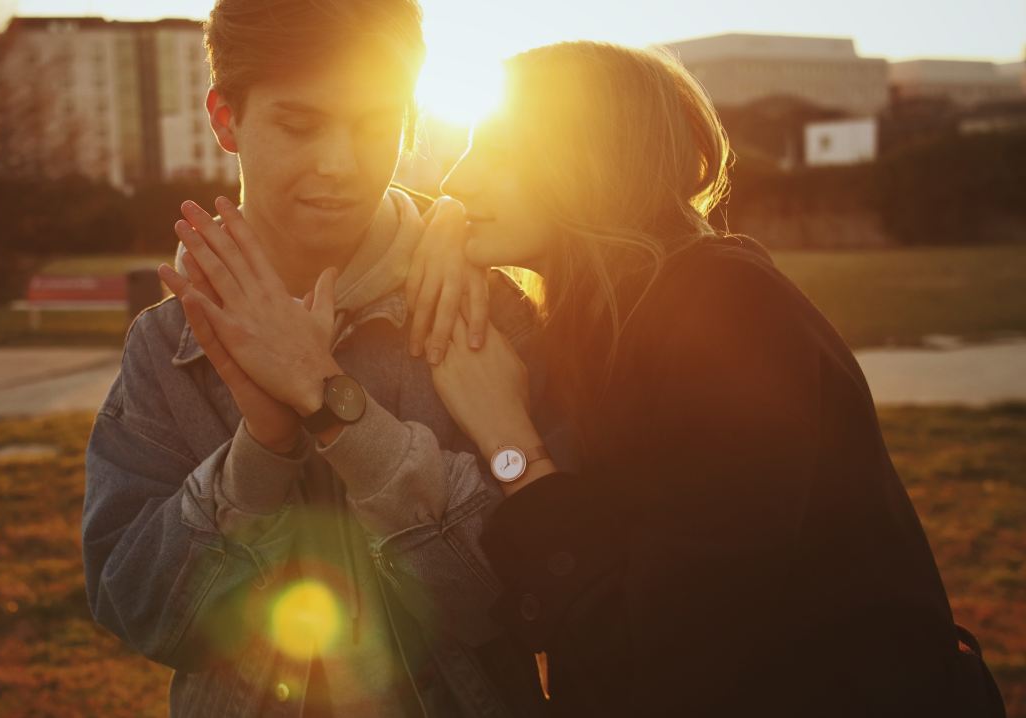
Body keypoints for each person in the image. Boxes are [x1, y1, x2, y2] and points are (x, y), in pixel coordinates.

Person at [406, 41, 1007, 716]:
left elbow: (655, 664)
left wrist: (512, 443)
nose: (458, 178)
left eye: (498, 152)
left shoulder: (724, 315)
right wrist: (434, 231)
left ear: (593, 162)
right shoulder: (620, 315)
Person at [81, 1, 548, 715]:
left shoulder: (487, 309)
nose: (340, 164)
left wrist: (334, 408)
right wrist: (260, 451)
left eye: (375, 125)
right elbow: (143, 612)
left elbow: (529, 597)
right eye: (300, 125)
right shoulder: (164, 343)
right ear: (224, 118)